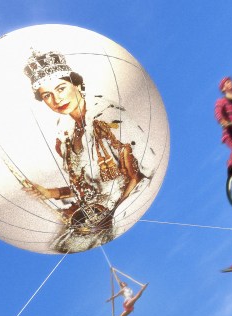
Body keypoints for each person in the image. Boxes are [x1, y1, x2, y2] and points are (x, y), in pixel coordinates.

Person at [21, 50, 150, 253]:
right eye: (47, 95)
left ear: (77, 84)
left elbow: (137, 176)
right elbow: (88, 188)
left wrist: (111, 214)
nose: (56, 99)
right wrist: (50, 193)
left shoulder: (109, 118)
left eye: (61, 88)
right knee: (61, 244)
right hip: (95, 215)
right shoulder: (66, 134)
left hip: (126, 205)